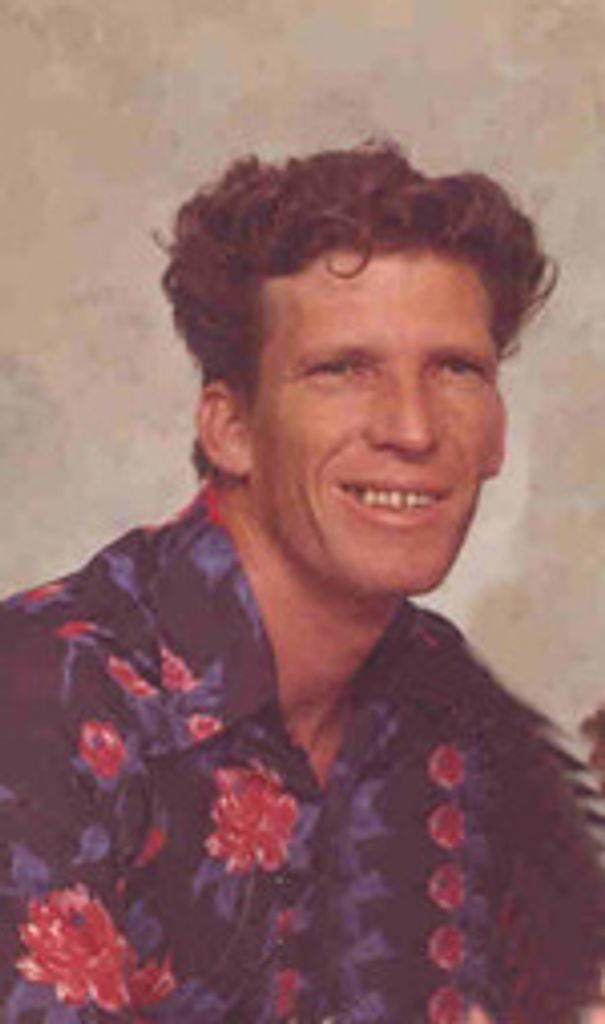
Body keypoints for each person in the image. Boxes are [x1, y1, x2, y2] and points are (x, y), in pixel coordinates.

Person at [0, 142, 603, 1024]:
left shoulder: (450, 702)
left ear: (497, 432)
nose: (412, 429)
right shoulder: (39, 698)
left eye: (455, 370)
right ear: (230, 429)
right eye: (342, 370)